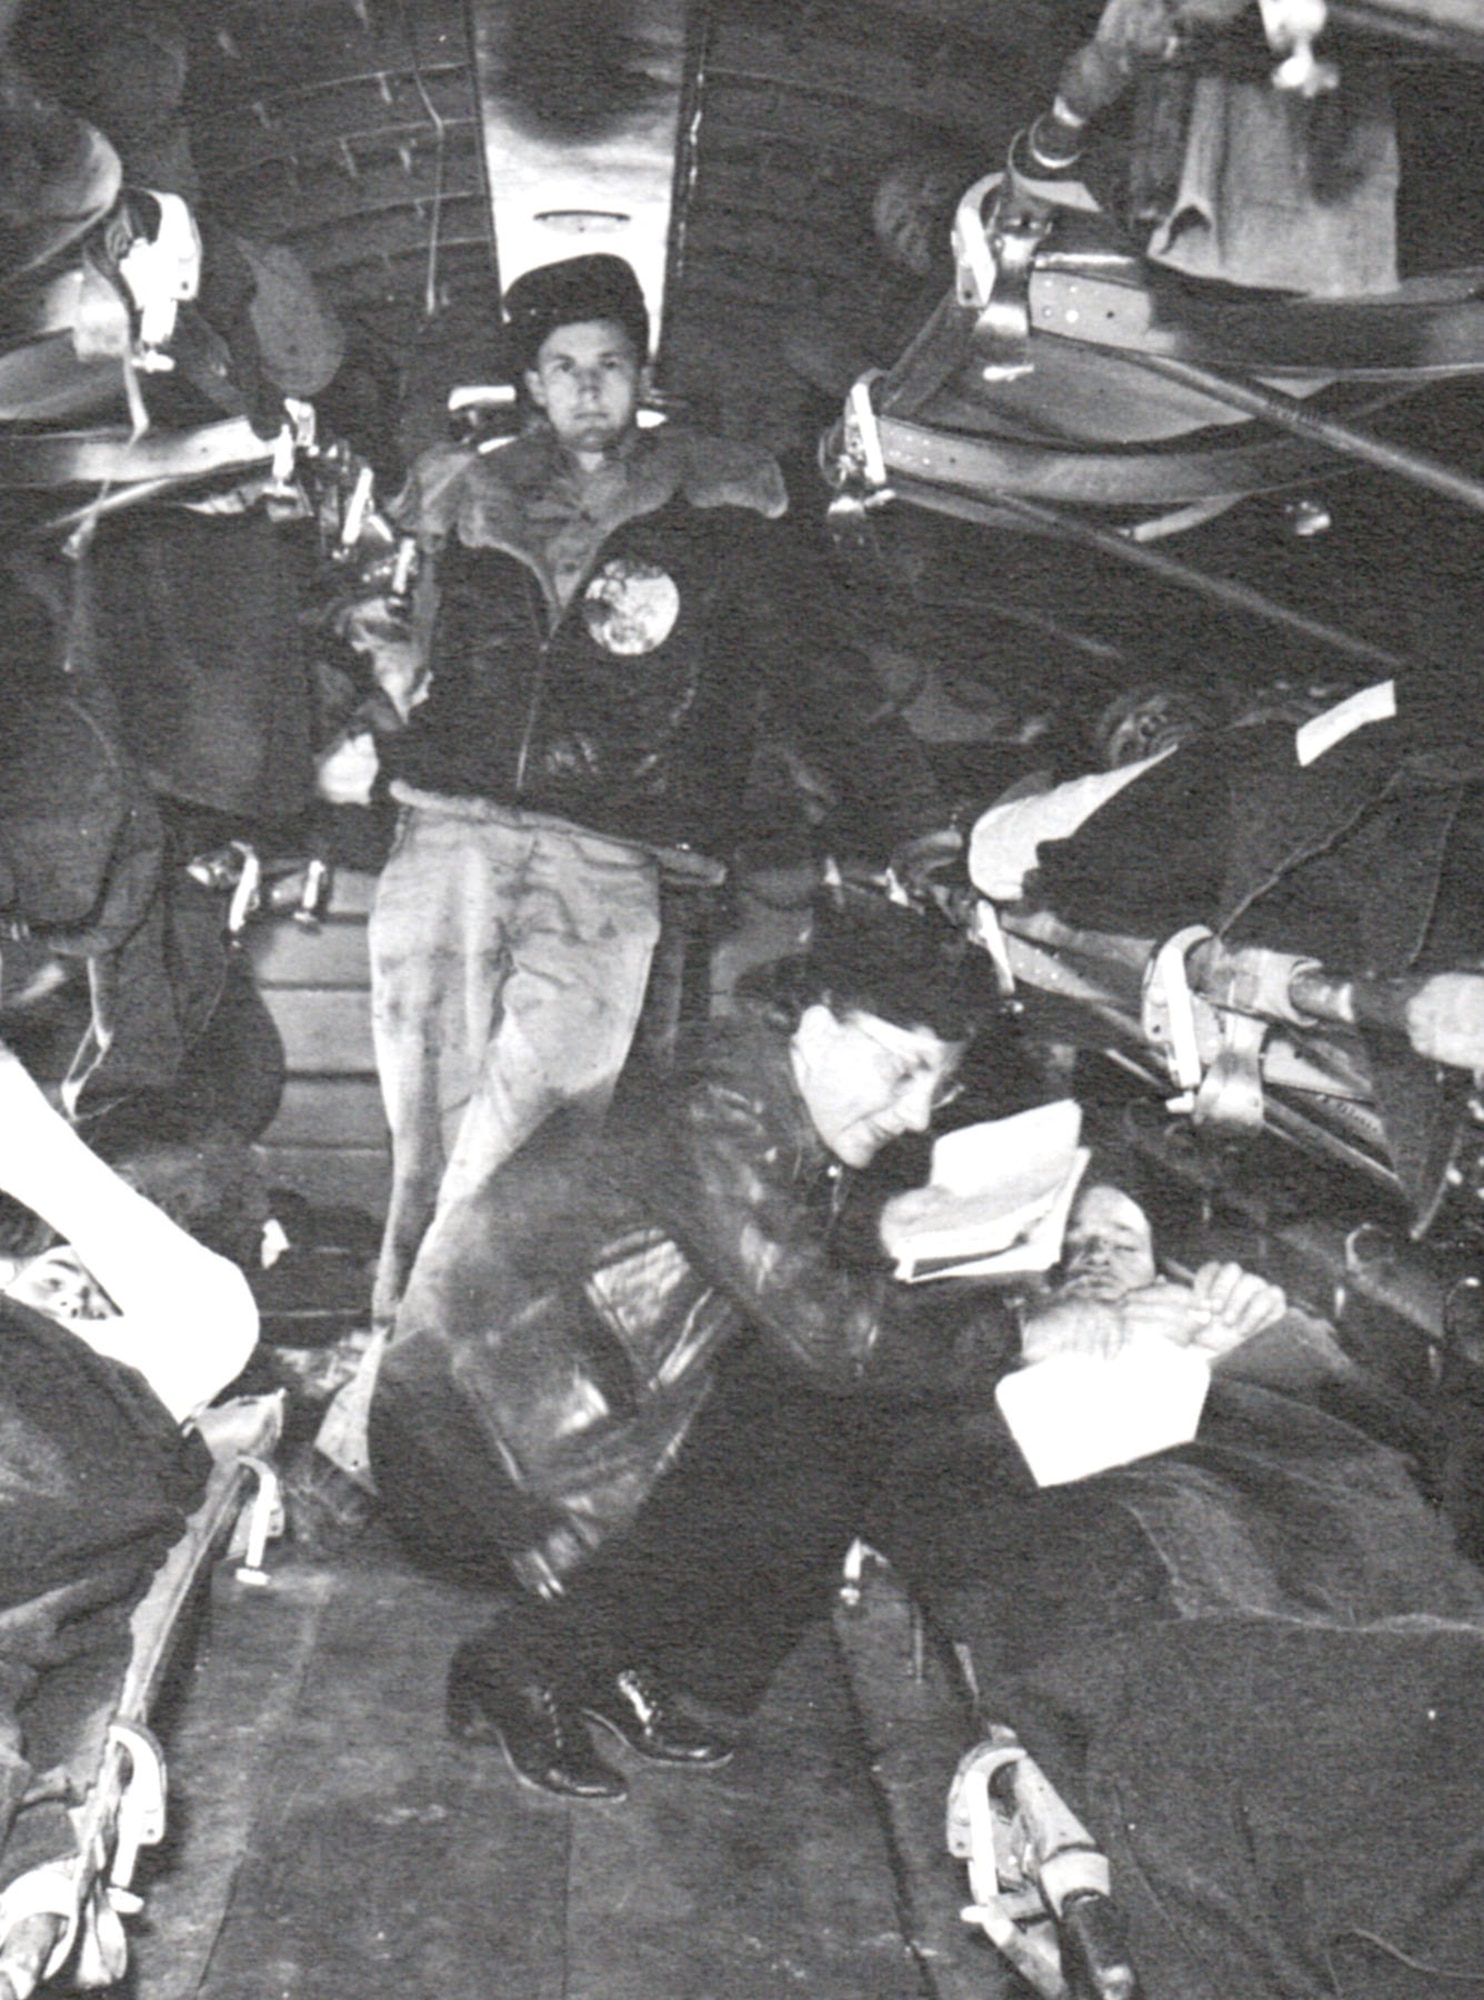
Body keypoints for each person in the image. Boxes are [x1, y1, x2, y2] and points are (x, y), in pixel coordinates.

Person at [344, 252, 954, 1349]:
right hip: (451, 830)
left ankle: (430, 1368)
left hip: (609, 855)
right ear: (531, 382)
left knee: (523, 1138)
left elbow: (822, 677)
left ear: (643, 374)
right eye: (563, 367)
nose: (588, 388)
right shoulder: (460, 497)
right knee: (426, 1132)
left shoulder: (722, 509)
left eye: (610, 364)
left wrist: (919, 825)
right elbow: (384, 650)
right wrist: (365, 716)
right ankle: (395, 1339)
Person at [367, 889, 1018, 1803]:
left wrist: (890, 1229)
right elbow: (831, 1335)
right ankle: (525, 1664)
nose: (916, 1117)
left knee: (827, 1409)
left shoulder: (761, 1077)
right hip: (470, 1456)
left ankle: (620, 1659)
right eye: (902, 1071)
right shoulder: (718, 1104)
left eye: (937, 1089)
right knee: (826, 1420)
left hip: (531, 1421)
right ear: (823, 1026)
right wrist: (1027, 1332)